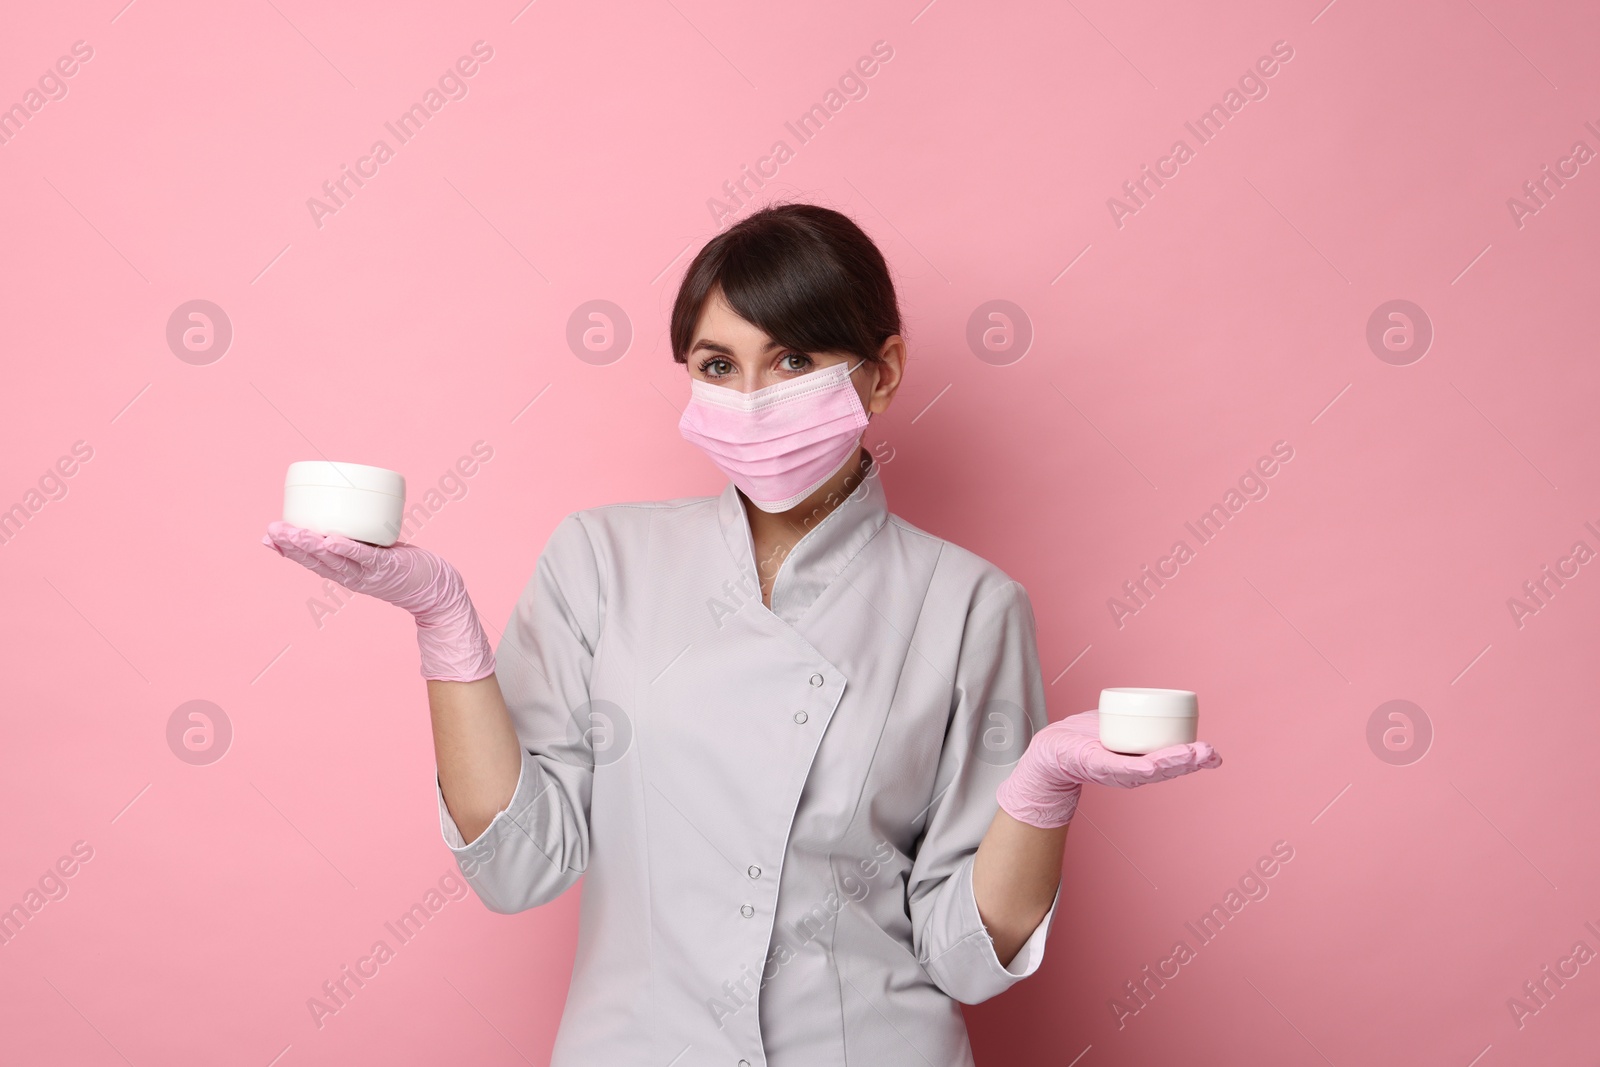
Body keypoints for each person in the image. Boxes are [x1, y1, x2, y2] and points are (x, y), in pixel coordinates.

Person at [262, 202, 1222, 1066]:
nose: (754, 399)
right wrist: (445, 622)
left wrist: (1042, 784)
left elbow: (967, 958)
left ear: (881, 374)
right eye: (720, 366)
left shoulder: (970, 603)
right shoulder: (602, 560)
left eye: (794, 360)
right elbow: (519, 865)